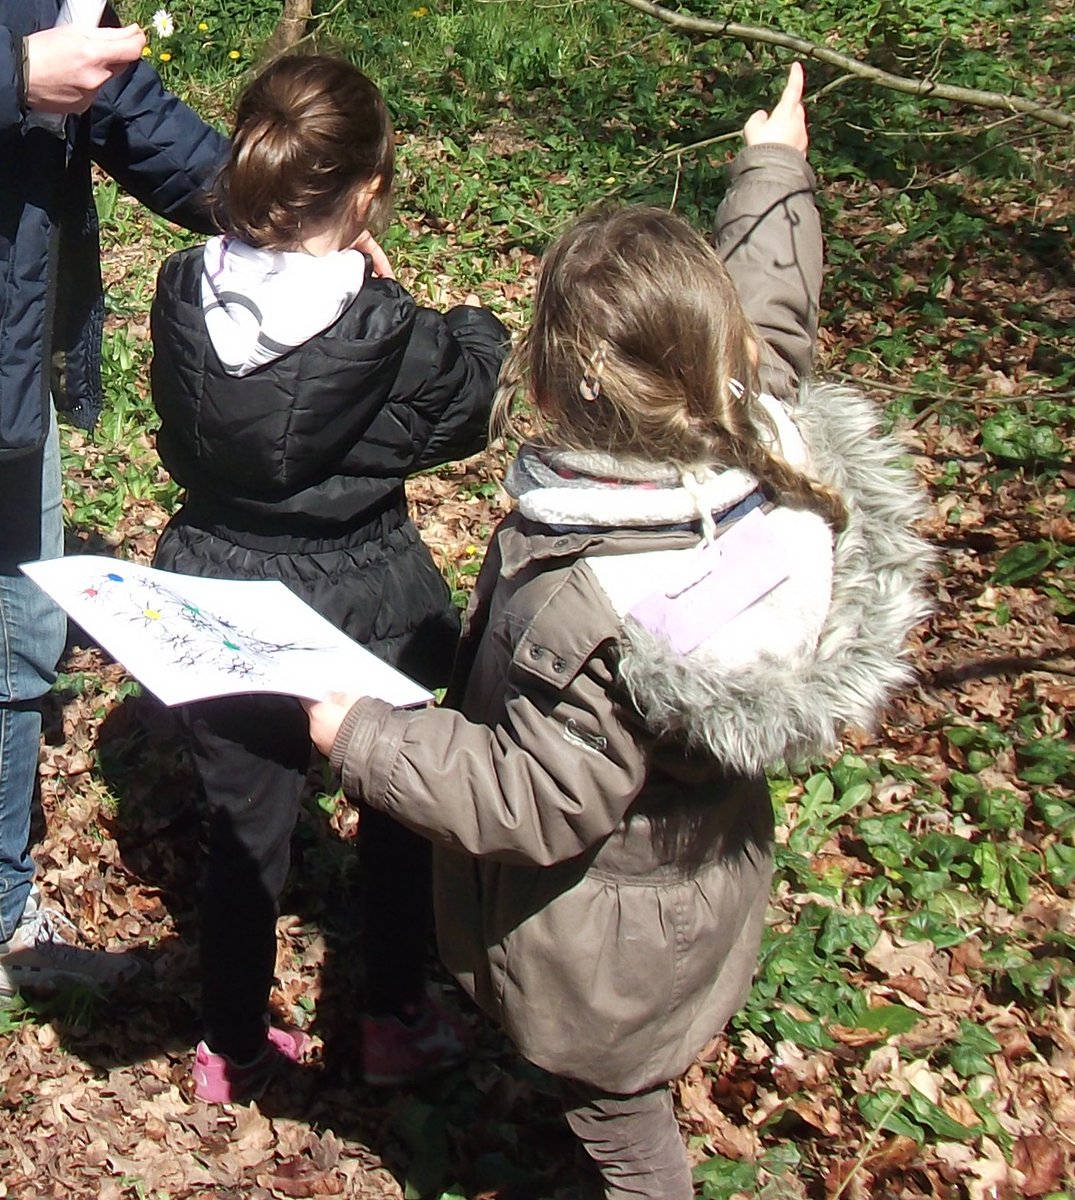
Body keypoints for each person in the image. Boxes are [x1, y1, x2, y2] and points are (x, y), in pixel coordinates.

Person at [305, 64, 930, 1199]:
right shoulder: (758, 453)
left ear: (555, 378)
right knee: (631, 1081)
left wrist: (364, 736)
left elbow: (537, 796)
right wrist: (773, 166)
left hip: (602, 951)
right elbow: (771, 308)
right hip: (695, 885)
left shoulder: (586, 601)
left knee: (621, 1128)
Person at [148, 53, 509, 1104]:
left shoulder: (180, 291)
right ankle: (395, 1016)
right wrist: (440, 314)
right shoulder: (389, 334)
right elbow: (469, 395)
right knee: (396, 806)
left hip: (218, 591)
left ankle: (230, 1049)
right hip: (365, 602)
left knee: (243, 840)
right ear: (365, 192)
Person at [0, 4, 228, 998]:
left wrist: (292, 210)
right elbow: (42, 72)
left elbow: (128, 107)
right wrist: (11, 77)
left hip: (6, 367)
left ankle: (2, 914)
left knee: (18, 635)